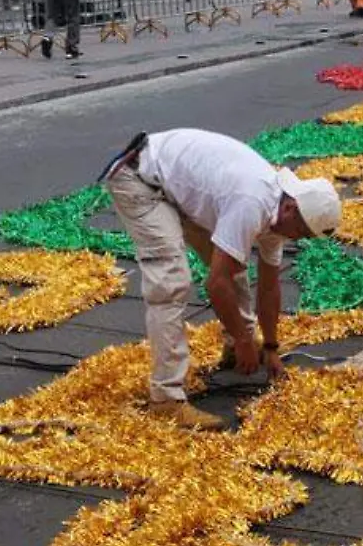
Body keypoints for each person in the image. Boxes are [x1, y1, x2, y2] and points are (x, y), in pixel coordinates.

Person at [103, 129, 342, 430]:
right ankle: (165, 398)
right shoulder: (252, 202)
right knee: (171, 280)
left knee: (234, 266)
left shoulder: (281, 214)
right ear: (292, 208)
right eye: (303, 232)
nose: (299, 239)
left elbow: (269, 285)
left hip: (179, 187)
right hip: (140, 181)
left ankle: (235, 349)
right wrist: (245, 338)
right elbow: (216, 284)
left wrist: (269, 346)